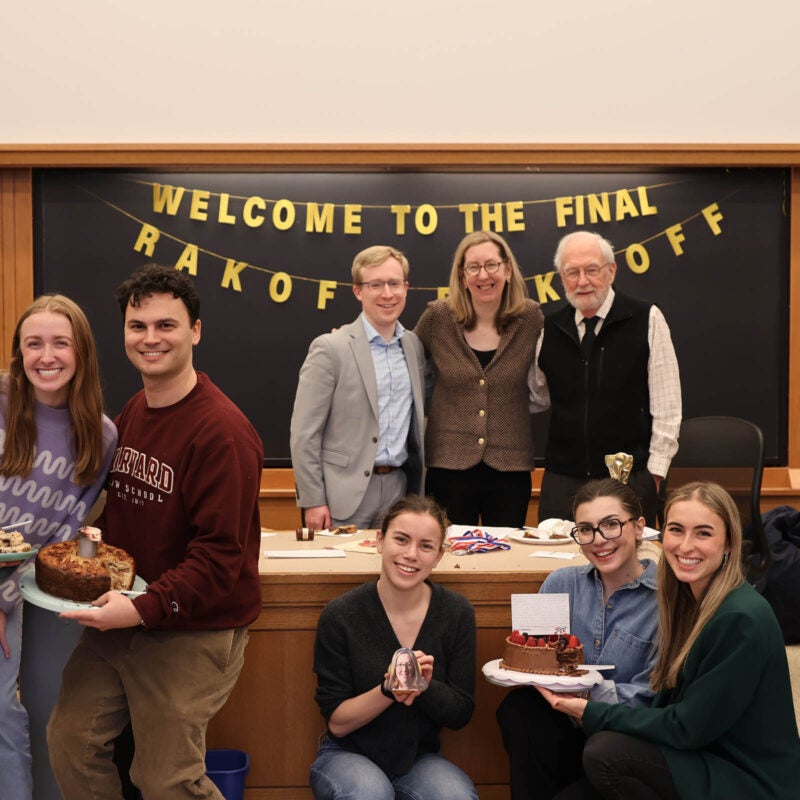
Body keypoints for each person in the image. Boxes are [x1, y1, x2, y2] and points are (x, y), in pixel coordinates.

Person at [47, 264, 264, 800]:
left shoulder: (224, 433)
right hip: (125, 615)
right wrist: (82, 539)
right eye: (137, 325)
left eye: (166, 325)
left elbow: (219, 560)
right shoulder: (137, 410)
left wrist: (142, 609)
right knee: (70, 742)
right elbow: (125, 517)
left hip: (191, 629)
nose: (150, 339)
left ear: (195, 330)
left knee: (166, 780)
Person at [538, 482, 800, 799]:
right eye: (676, 530)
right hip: (700, 756)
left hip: (744, 778)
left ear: (729, 542)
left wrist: (591, 711)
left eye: (703, 533)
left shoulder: (739, 618)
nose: (686, 546)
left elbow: (685, 728)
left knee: (605, 752)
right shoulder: (687, 601)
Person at [0, 295, 117, 800]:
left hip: (16, 595)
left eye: (60, 343)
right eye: (34, 344)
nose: (47, 356)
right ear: (19, 355)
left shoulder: (101, 436)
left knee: (8, 713)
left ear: (82, 353)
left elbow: (61, 533)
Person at [496, 478, 659, 800]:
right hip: (564, 727)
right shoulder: (560, 583)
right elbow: (534, 663)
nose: (599, 540)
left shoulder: (666, 601)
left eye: (611, 525)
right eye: (585, 529)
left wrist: (586, 693)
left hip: (625, 735)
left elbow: (652, 696)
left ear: (639, 527)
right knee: (519, 710)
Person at [310, 494, 478, 800]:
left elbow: (460, 713)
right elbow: (337, 722)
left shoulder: (456, 612)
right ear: (379, 541)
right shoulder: (340, 615)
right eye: (401, 539)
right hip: (348, 754)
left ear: (439, 556)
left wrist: (426, 687)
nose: (411, 554)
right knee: (368, 794)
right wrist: (389, 689)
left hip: (418, 758)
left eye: (426, 546)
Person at [529, 230, 681, 527]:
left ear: (611, 271)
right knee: (554, 566)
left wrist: (654, 476)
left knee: (628, 570)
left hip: (627, 480)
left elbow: (668, 408)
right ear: (561, 277)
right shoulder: (549, 329)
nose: (582, 281)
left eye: (592, 270)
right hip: (562, 481)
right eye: (572, 272)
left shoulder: (646, 319)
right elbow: (538, 395)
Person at [291, 245, 425, 531]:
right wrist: (313, 500)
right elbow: (305, 433)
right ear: (358, 291)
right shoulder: (331, 348)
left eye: (394, 283)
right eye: (375, 285)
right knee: (340, 576)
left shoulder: (414, 346)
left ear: (406, 287)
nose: (387, 294)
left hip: (401, 491)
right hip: (342, 496)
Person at [415, 231, 544, 527]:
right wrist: (355, 342)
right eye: (473, 267)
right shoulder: (437, 318)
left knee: (507, 558)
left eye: (491, 265)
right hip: (448, 466)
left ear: (508, 270)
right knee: (450, 558)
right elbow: (400, 358)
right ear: (461, 275)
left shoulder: (531, 319)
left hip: (510, 469)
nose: (483, 275)